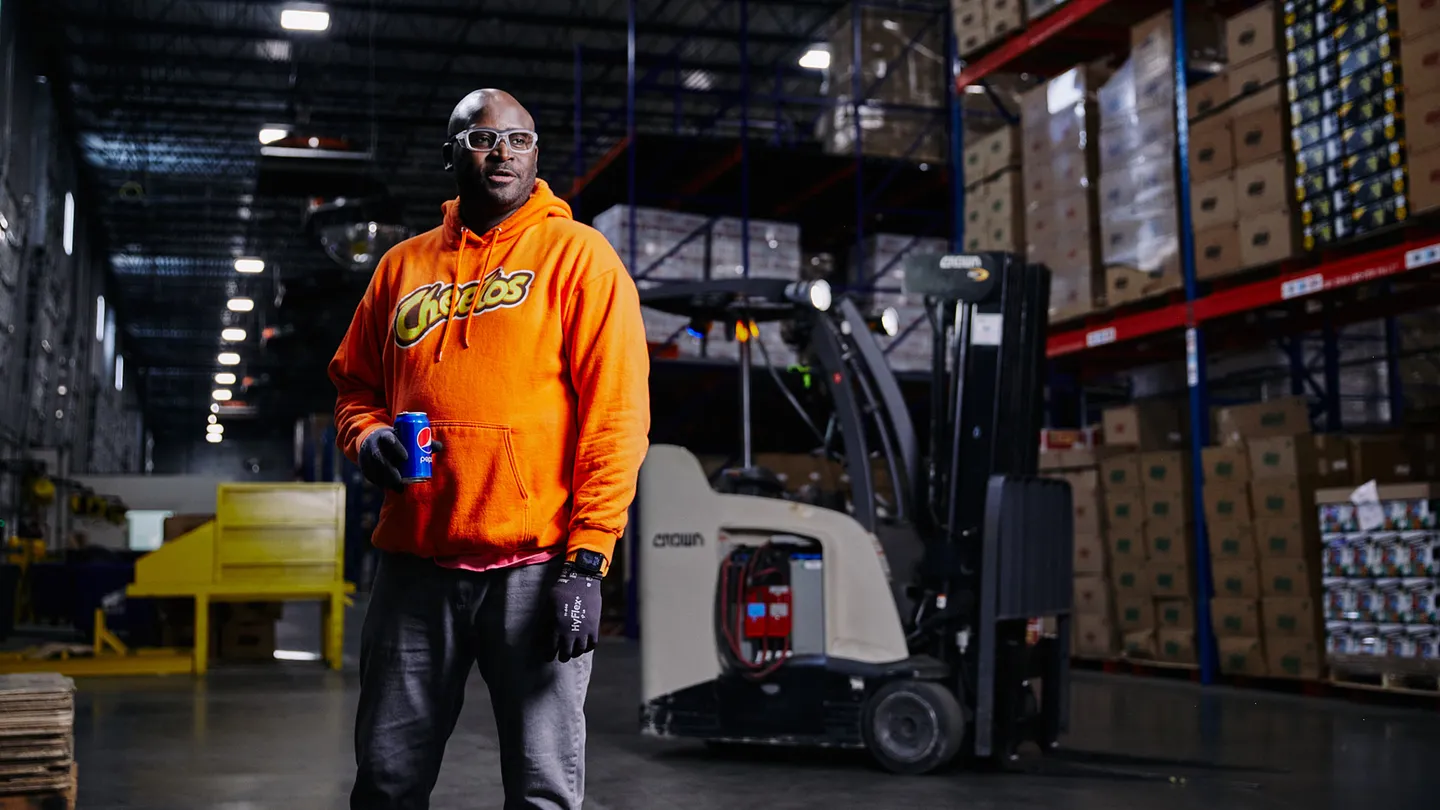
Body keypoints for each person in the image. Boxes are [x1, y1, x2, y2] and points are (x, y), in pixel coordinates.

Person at [329, 88, 651, 810]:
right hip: (415, 567)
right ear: (451, 154)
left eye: (519, 140)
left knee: (541, 789)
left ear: (535, 155)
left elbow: (617, 418)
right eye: (482, 138)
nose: (502, 152)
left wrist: (588, 561)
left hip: (534, 569)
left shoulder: (581, 258)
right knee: (385, 781)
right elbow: (353, 387)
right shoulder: (401, 268)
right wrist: (369, 436)